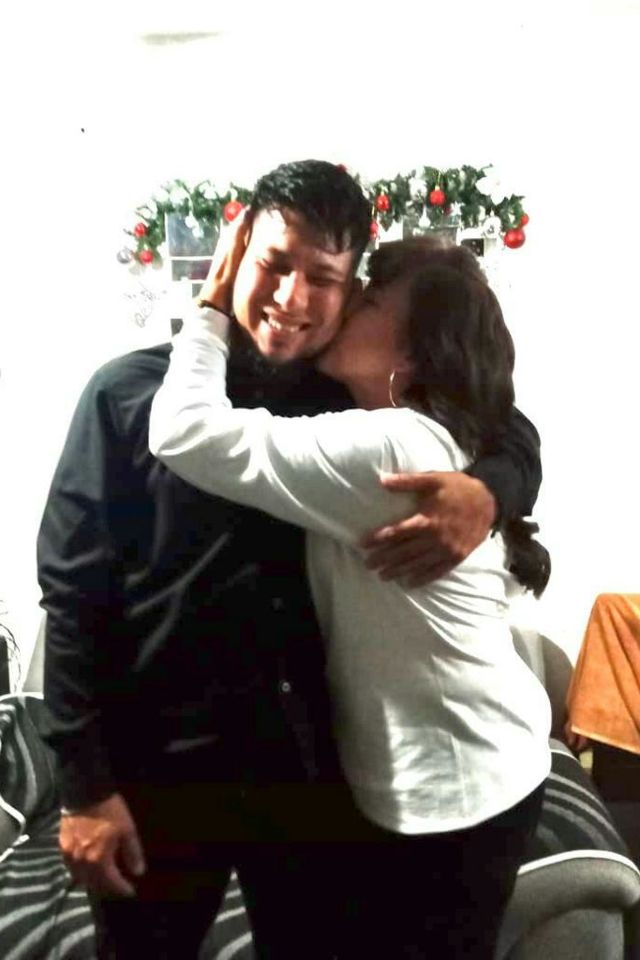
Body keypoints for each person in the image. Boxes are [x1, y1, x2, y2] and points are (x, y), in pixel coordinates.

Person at [38, 160, 542, 959]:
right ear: (236, 255)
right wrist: (84, 788)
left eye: (326, 279)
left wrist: (490, 489)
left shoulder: (345, 395)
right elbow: (71, 597)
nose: (293, 297)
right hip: (159, 769)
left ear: (351, 292)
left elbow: (499, 417)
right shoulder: (126, 394)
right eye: (274, 264)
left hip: (309, 775)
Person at [149, 229, 552, 959]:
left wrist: (208, 307)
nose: (316, 301)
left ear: (414, 353)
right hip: (409, 772)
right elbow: (511, 426)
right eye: (273, 266)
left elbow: (184, 432)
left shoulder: (394, 446)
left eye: (365, 298)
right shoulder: (363, 408)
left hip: (459, 785)